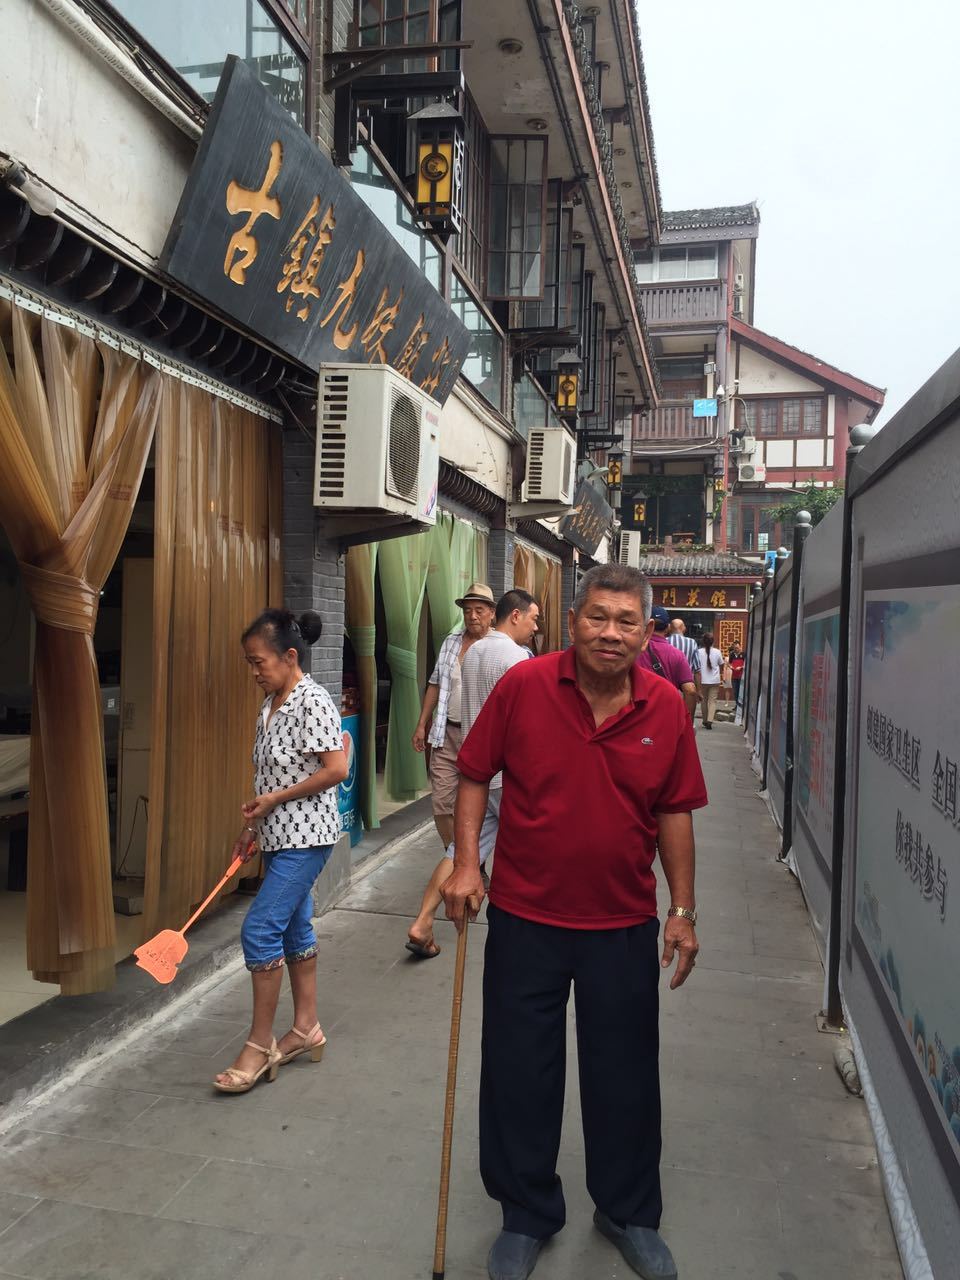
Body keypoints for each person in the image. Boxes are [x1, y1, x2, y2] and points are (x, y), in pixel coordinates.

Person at [442, 564, 707, 1280]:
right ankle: (526, 1212)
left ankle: (626, 1210)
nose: (610, 633)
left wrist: (681, 910)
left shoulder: (664, 708)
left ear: (648, 633)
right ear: (571, 622)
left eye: (627, 621)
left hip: (621, 922)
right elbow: (473, 772)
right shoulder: (524, 688)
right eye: (598, 617)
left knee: (624, 1074)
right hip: (526, 916)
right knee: (518, 1070)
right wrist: (466, 864)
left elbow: (674, 810)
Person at [213, 609, 348, 1094]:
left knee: (260, 929)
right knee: (293, 926)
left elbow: (335, 769)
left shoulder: (313, 700)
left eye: (259, 662)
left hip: (308, 835)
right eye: (250, 663)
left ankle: (259, 1043)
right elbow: (270, 777)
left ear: (290, 656)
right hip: (277, 834)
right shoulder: (271, 703)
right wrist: (253, 825)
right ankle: (306, 1027)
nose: (254, 672)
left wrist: (275, 801)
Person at [406, 589, 540, 958]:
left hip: (477, 774)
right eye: (533, 617)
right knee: (529, 852)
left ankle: (423, 920)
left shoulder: (475, 650)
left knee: (460, 852)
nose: (535, 626)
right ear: (515, 615)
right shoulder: (518, 659)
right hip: (507, 775)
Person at [412, 583, 496, 850]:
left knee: (478, 803)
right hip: (445, 732)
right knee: (441, 803)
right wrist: (421, 724)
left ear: (492, 613)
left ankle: (470, 859)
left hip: (480, 737)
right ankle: (458, 857)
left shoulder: (498, 647)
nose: (472, 616)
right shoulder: (452, 641)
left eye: (479, 610)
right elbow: (435, 683)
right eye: (468, 610)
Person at [637, 605, 697, 717]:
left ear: (647, 626)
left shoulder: (634, 650)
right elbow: (690, 691)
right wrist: (687, 722)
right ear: (668, 627)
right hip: (665, 715)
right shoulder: (677, 655)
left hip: (636, 715)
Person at [696, 631, 724, 729]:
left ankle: (704, 720)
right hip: (715, 680)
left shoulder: (698, 652)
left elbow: (696, 667)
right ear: (712, 642)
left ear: (703, 642)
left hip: (702, 680)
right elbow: (721, 664)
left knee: (704, 701)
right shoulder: (717, 651)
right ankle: (710, 720)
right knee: (713, 701)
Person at [728, 644, 745, 709]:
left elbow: (746, 664)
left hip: (741, 676)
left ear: (740, 647)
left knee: (741, 691)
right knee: (735, 691)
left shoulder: (743, 654)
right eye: (735, 648)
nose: (736, 649)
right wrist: (731, 667)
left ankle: (741, 705)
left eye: (737, 648)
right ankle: (737, 704)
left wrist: (741, 667)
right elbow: (729, 663)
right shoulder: (732, 655)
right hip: (734, 676)